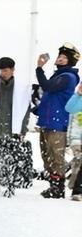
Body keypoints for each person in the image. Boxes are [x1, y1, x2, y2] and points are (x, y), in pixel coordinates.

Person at [0, 57, 33, 198]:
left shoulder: (22, 88)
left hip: (12, 130)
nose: (4, 73)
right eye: (2, 70)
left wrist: (23, 130)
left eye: (6, 70)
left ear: (13, 70)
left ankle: (10, 185)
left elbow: (25, 111)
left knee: (10, 160)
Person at [35, 43, 81, 198]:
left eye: (64, 57)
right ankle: (53, 185)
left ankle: (58, 188)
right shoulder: (58, 77)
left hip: (58, 123)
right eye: (59, 56)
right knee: (46, 155)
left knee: (56, 156)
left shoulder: (68, 77)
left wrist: (39, 68)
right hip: (48, 122)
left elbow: (47, 86)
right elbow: (50, 98)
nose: (60, 59)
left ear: (70, 61)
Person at [65, 83, 82, 201]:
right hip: (76, 138)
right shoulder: (76, 98)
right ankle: (77, 189)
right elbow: (69, 108)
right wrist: (78, 94)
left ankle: (75, 186)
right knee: (79, 162)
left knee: (78, 164)